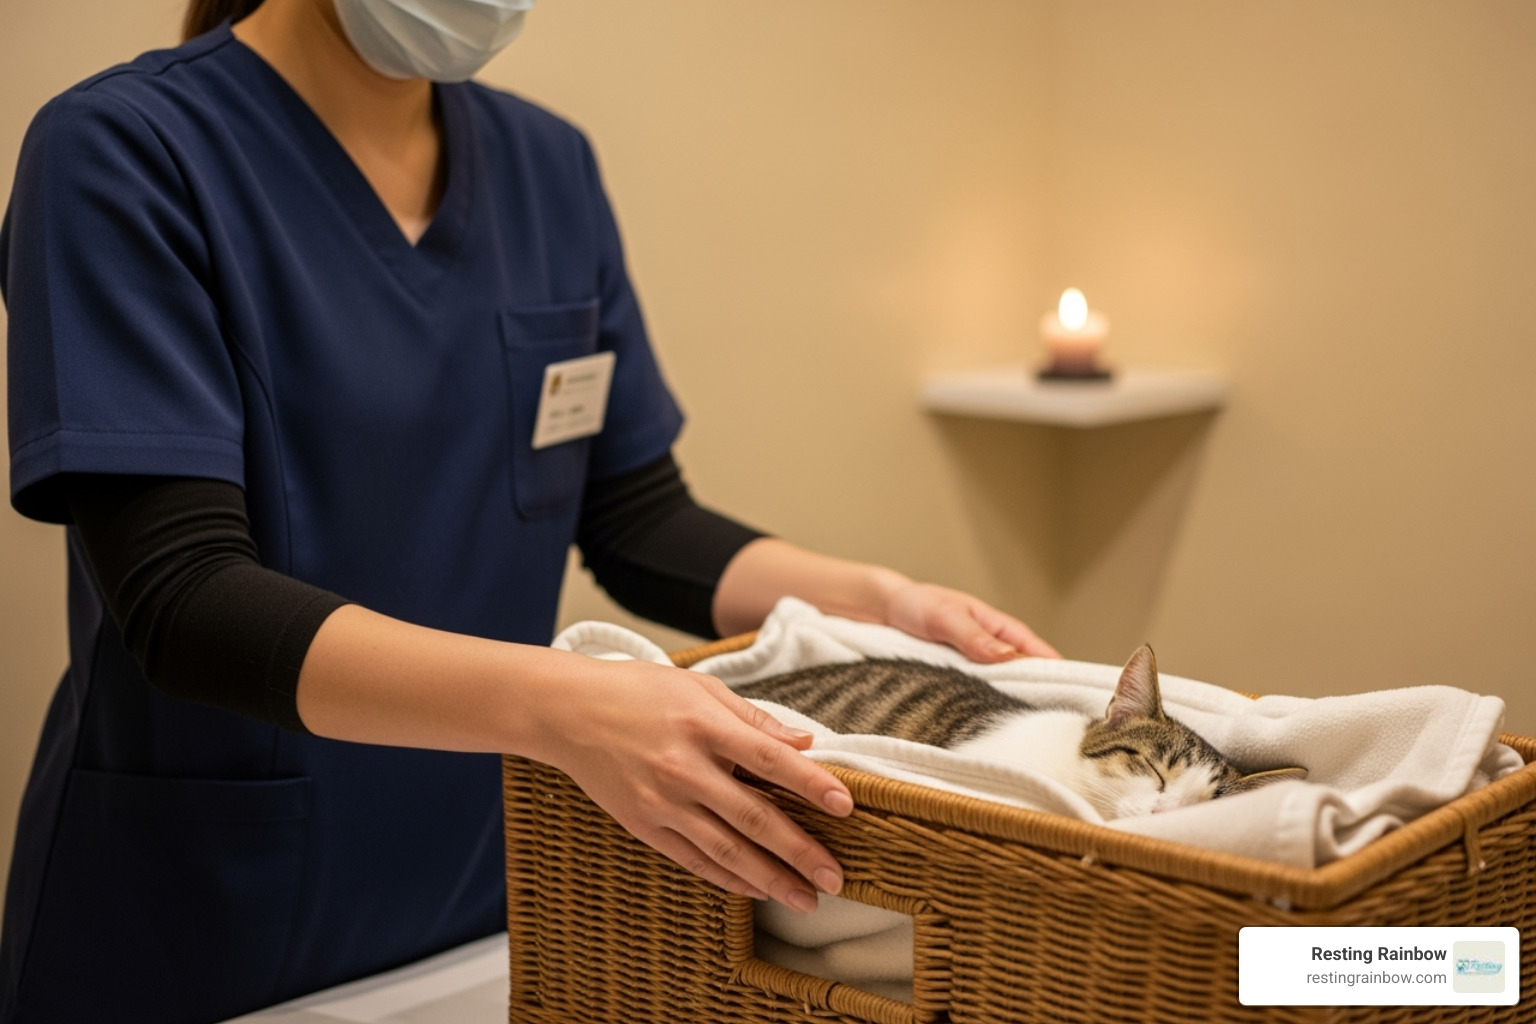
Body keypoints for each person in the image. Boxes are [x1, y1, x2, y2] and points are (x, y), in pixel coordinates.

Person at [0, 0, 1059, 1020]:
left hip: (485, 910)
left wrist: (879, 603)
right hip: (200, 929)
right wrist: (571, 705)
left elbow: (638, 519)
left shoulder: (550, 170)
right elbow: (183, 602)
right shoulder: (124, 152)